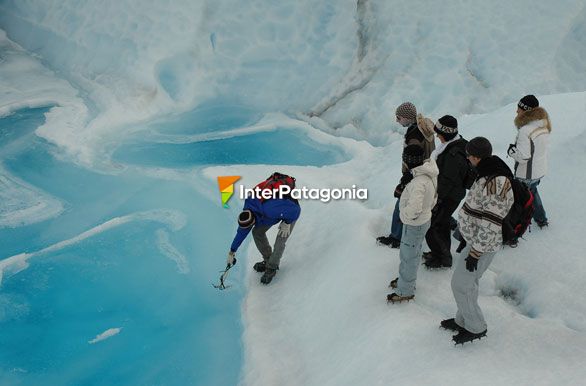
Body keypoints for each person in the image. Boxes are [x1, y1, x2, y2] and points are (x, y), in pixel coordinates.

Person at [442, 137, 514, 344]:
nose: (467, 159)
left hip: (482, 246)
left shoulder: (496, 182)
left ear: (476, 157)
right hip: (475, 241)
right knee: (467, 283)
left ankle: (475, 327)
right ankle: (462, 320)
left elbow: (491, 221)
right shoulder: (487, 172)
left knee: (461, 284)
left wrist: (476, 252)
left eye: (468, 155)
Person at [377, 102, 435, 248]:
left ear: (408, 118)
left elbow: (414, 158)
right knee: (427, 201)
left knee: (401, 204)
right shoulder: (422, 127)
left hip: (415, 173)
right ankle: (450, 223)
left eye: (399, 117)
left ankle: (396, 237)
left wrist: (406, 179)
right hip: (427, 170)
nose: (397, 120)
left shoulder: (414, 136)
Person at [387, 145, 438, 303]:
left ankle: (405, 290)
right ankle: (405, 280)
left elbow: (414, 208)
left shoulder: (418, 182)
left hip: (415, 223)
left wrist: (404, 215)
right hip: (422, 220)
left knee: (409, 256)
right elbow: (434, 197)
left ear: (408, 161)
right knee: (409, 253)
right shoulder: (426, 173)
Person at [423, 115, 474, 269]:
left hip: (448, 196)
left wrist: (436, 199)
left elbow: (447, 181)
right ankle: (439, 253)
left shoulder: (453, 155)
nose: (437, 136)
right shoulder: (457, 144)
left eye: (439, 134)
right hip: (451, 194)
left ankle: (442, 258)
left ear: (446, 133)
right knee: (442, 224)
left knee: (433, 226)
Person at [227, 193, 301, 285]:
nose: (248, 228)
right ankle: (268, 260)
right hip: (272, 213)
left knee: (279, 242)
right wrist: (232, 251)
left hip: (291, 211)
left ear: (253, 221)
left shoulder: (269, 210)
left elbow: (296, 210)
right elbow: (241, 232)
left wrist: (287, 223)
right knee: (257, 232)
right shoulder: (247, 212)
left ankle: (272, 268)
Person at [507, 94, 551, 229]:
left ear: (526, 111)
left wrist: (511, 151)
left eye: (519, 109)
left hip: (526, 174)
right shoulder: (543, 124)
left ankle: (515, 227)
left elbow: (523, 157)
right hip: (539, 170)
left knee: (519, 201)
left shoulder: (525, 131)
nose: (516, 111)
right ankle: (541, 219)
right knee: (533, 192)